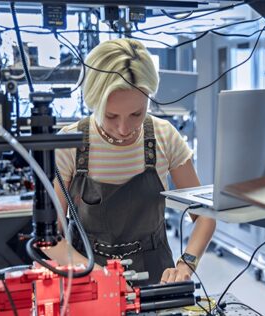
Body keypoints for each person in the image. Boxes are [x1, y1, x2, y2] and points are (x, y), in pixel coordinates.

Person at [45, 38, 216, 285]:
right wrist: (97, 275)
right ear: (93, 102)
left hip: (156, 272)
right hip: (88, 273)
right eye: (111, 115)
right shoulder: (71, 144)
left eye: (136, 113)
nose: (124, 128)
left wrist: (186, 264)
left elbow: (205, 215)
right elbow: (49, 237)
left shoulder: (164, 136)